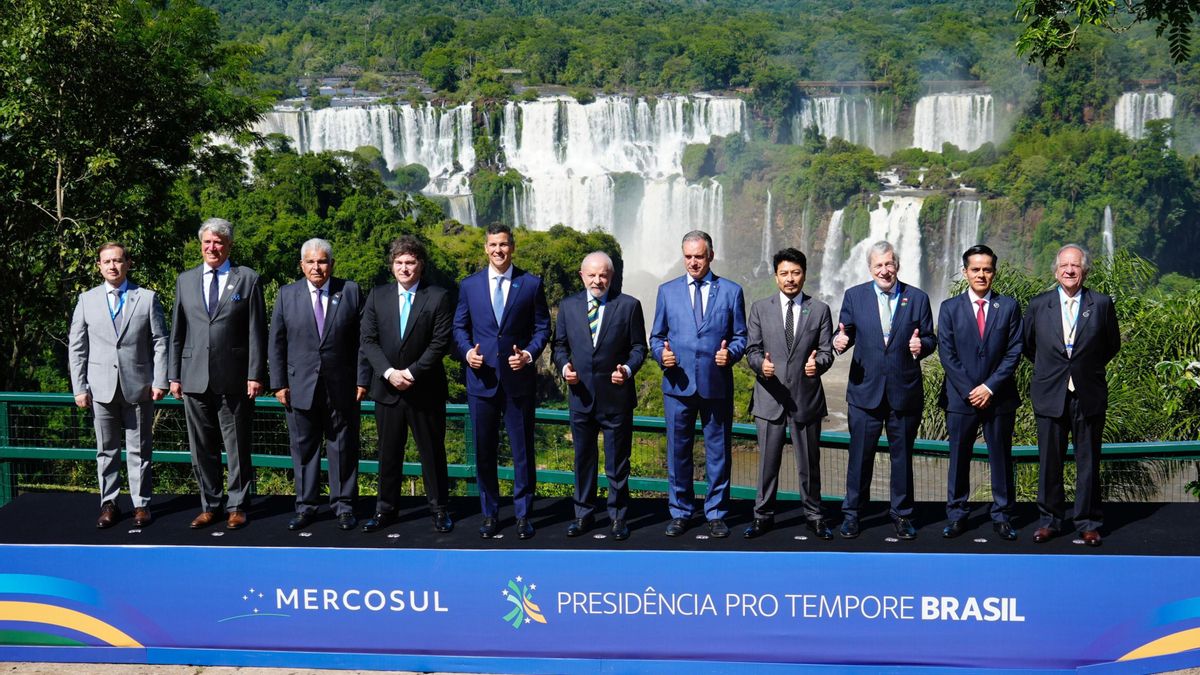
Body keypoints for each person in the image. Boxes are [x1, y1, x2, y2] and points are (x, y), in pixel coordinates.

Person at [453, 223, 550, 540]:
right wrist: (468, 353)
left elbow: (541, 329)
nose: (499, 250)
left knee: (522, 452)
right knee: (484, 452)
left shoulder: (531, 284)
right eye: (493, 244)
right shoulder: (469, 286)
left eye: (504, 244)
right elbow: (459, 328)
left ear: (513, 247)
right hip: (481, 381)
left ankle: (523, 515)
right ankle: (490, 514)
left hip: (518, 382)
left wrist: (529, 355)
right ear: (485, 247)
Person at [169, 218, 267, 530]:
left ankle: (237, 505)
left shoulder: (247, 279)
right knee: (202, 448)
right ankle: (209, 505)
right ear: (201, 245)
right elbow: (177, 333)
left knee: (237, 446)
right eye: (208, 242)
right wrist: (174, 375)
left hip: (235, 378)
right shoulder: (185, 280)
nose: (213, 248)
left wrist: (255, 374)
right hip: (193, 377)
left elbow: (256, 331)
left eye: (219, 242)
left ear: (229, 246)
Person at [832, 240, 934, 540]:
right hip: (865, 393)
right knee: (859, 457)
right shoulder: (854, 296)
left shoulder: (917, 298)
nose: (885, 270)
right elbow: (845, 334)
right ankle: (852, 514)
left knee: (902, 458)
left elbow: (929, 338)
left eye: (889, 264)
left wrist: (922, 346)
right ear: (870, 268)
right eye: (878, 265)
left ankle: (902, 515)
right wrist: (839, 344)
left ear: (897, 265)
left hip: (904, 392)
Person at [649, 230, 747, 538]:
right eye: (689, 256)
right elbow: (655, 337)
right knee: (678, 451)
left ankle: (716, 512)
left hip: (716, 383)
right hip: (677, 385)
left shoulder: (731, 291)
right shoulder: (667, 291)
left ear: (711, 256)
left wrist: (729, 354)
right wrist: (660, 355)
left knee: (718, 451)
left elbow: (741, 337)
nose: (693, 262)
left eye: (699, 256)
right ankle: (681, 512)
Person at [1023, 244, 1120, 547]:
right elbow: (1028, 346)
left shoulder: (1101, 303)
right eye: (1064, 265)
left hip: (1087, 392)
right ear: (1055, 271)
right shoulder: (1039, 305)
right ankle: (1050, 520)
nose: (1069, 270)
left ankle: (1088, 522)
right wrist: (1055, 371)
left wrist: (1083, 368)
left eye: (1075, 266)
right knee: (1049, 461)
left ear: (1084, 271)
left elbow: (1111, 345)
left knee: (1088, 461)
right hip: (1050, 391)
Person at [269, 238, 368, 532]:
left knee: (343, 448)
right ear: (301, 265)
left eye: (322, 261)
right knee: (303, 450)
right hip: (299, 387)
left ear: (332, 264)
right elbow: (276, 343)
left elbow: (364, 341)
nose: (317, 267)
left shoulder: (350, 291)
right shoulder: (287, 295)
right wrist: (278, 384)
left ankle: (344, 506)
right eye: (311, 262)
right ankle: (306, 506)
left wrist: (363, 379)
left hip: (343, 387)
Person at [68, 242, 168, 528]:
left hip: (139, 386)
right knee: (106, 450)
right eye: (107, 261)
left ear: (128, 263)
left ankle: (141, 505)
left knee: (140, 450)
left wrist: (160, 379)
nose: (112, 266)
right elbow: (77, 347)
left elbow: (160, 341)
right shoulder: (86, 300)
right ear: (99, 266)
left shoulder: (146, 298)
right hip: (100, 388)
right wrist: (79, 387)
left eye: (118, 261)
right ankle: (109, 503)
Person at [361, 236, 455, 534]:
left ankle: (439, 509)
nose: (404, 268)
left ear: (420, 265)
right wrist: (389, 373)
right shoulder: (377, 296)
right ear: (392, 266)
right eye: (399, 262)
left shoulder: (438, 296)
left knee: (432, 453)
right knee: (388, 454)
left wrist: (411, 373)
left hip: (425, 390)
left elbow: (440, 342)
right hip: (387, 390)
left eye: (410, 262)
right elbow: (368, 340)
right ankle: (384, 510)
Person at [551, 251, 648, 541]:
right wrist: (564, 366)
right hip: (580, 396)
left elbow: (639, 348)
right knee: (583, 460)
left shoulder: (629, 306)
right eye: (592, 275)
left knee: (618, 463)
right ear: (582, 276)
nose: (597, 280)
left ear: (611, 276)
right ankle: (583, 515)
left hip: (616, 397)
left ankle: (618, 517)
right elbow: (559, 346)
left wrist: (628, 370)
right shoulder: (568, 307)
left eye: (603, 274)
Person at [744, 248, 834, 540]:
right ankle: (762, 516)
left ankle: (814, 515)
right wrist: (762, 365)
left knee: (809, 464)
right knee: (767, 464)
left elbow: (826, 351)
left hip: (805, 399)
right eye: (784, 273)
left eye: (795, 272)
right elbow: (752, 350)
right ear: (775, 277)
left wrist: (817, 364)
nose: (790, 279)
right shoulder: (760, 308)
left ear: (804, 274)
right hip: (769, 396)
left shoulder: (819, 309)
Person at [937, 244, 1023, 541]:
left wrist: (989, 387)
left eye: (987, 269)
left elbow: (1014, 351)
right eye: (976, 269)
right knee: (959, 459)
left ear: (994, 272)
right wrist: (970, 389)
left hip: (998, 397)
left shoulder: (1009, 306)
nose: (981, 274)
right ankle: (958, 515)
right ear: (965, 272)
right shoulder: (949, 308)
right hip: (961, 399)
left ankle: (1002, 516)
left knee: (1000, 457)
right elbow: (947, 354)